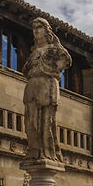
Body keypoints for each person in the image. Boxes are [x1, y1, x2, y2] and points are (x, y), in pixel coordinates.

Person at [22, 18, 71, 163]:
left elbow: (66, 61)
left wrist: (56, 45)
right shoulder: (33, 52)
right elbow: (25, 70)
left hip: (47, 85)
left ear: (46, 30)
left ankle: (47, 152)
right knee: (31, 121)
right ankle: (34, 150)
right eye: (34, 28)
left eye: (39, 27)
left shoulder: (54, 49)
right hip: (32, 86)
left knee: (47, 122)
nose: (36, 31)